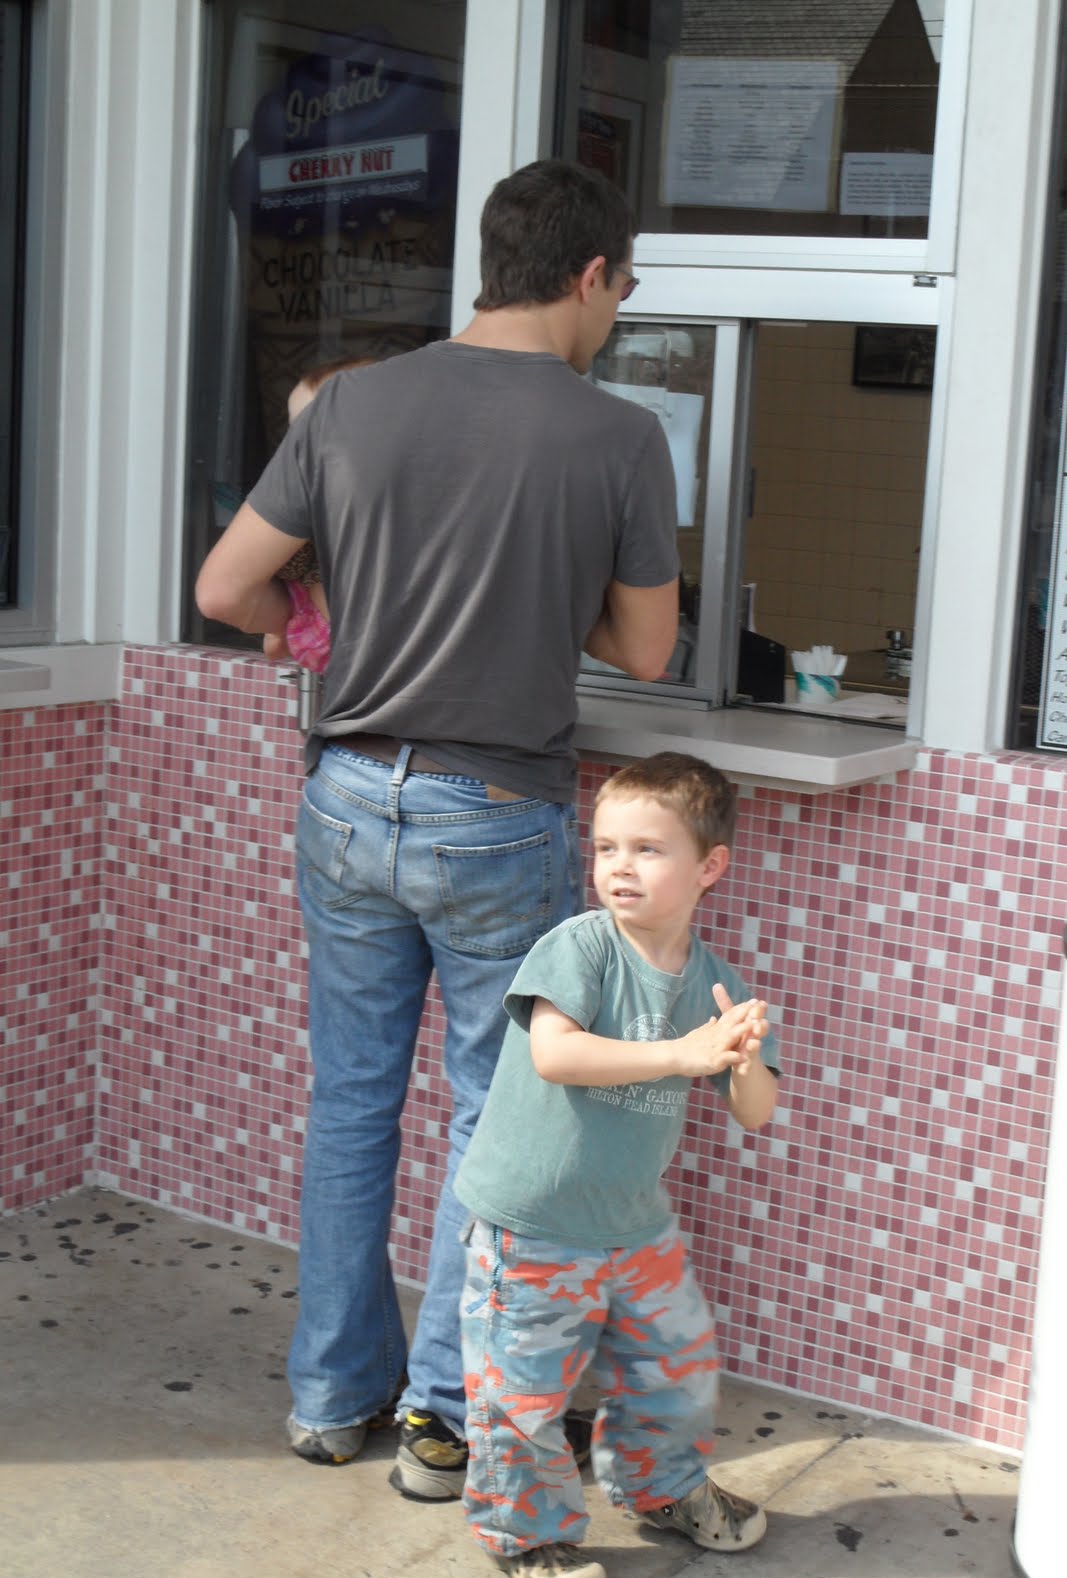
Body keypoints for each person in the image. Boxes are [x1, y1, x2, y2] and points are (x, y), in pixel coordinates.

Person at [194, 157, 680, 1501]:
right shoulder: (616, 435)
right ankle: (438, 1416)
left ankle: (326, 1393)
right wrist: (541, 588)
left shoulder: (350, 404)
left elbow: (227, 587)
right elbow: (647, 650)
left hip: (348, 793)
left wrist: (353, 610)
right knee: (493, 1119)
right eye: (621, 287)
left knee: (349, 1105)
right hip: (493, 809)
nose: (618, 310)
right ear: (588, 275)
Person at [453, 752, 780, 1578]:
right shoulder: (581, 946)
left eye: (646, 849)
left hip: (631, 1222)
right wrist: (680, 1052)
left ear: (710, 867)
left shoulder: (712, 981)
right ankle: (526, 1536)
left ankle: (662, 1489)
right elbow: (556, 1054)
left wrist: (738, 1055)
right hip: (533, 1221)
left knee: (672, 1368)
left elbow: (754, 1109)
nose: (618, 868)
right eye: (605, 849)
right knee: (520, 1394)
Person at [265, 356, 379, 673]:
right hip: (321, 626)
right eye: (294, 432)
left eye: (310, 432)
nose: (298, 447)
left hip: (341, 637)